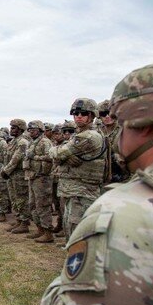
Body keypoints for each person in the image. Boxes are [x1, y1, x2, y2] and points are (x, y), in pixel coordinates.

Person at [41, 59, 153, 305]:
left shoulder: (133, 209)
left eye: (120, 120)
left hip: (82, 190)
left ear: (143, 124)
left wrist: (56, 290)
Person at [49, 98, 105, 241]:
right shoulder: (79, 135)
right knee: (72, 228)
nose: (79, 116)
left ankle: (80, 262)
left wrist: (61, 154)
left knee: (78, 232)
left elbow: (56, 153)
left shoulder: (89, 136)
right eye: (75, 113)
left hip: (83, 190)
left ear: (92, 115)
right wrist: (64, 155)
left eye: (83, 113)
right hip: (75, 190)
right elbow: (59, 154)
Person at [23, 120, 54, 242]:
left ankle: (48, 233)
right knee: (32, 204)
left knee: (43, 205)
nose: (31, 132)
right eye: (29, 130)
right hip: (33, 176)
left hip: (42, 178)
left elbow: (50, 157)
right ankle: (40, 229)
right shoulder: (33, 142)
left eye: (33, 130)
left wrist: (35, 157)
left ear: (40, 130)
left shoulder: (45, 142)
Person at [1, 119, 32, 232]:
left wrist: (6, 171)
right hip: (12, 175)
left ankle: (24, 223)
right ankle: (19, 219)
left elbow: (16, 159)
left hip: (19, 174)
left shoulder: (22, 142)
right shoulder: (13, 141)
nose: (11, 130)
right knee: (14, 198)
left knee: (21, 199)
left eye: (14, 128)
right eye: (11, 127)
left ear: (20, 129)